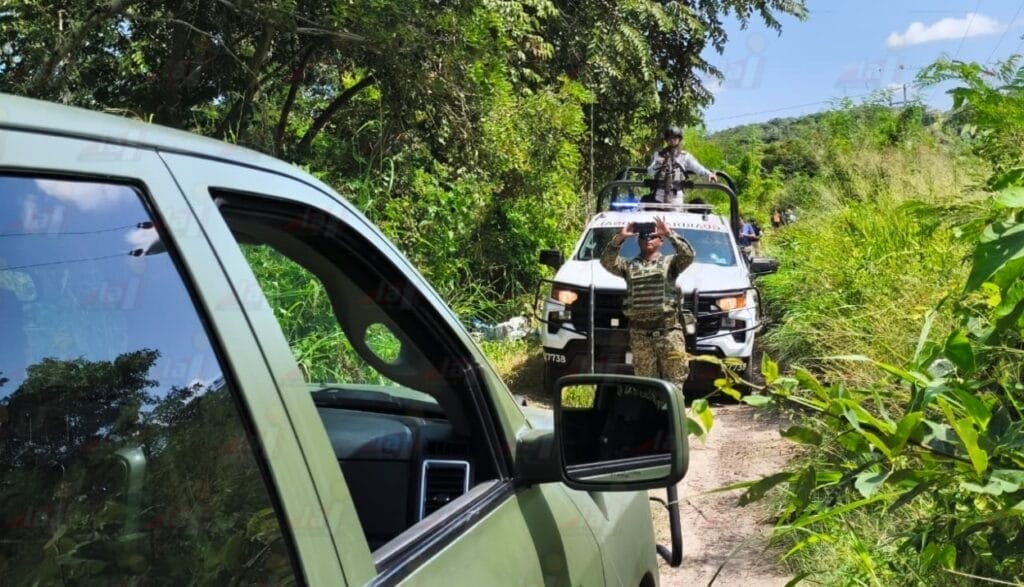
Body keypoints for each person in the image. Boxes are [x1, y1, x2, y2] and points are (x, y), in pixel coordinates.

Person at [600, 216, 694, 390]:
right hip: (640, 335)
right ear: (638, 240)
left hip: (668, 333)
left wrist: (669, 233)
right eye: (644, 236)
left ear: (661, 240)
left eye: (653, 236)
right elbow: (606, 262)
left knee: (675, 384)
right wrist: (620, 238)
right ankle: (651, 416)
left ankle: (673, 416)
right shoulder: (628, 266)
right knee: (646, 387)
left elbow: (688, 255)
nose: (648, 240)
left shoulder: (670, 263)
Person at [647, 126, 717, 205]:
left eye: (675, 137)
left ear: (679, 139)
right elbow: (650, 172)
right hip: (659, 194)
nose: (672, 140)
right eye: (669, 138)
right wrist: (657, 164)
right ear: (666, 140)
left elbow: (698, 168)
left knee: (676, 216)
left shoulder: (685, 156)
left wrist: (708, 174)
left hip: (676, 196)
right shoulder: (659, 155)